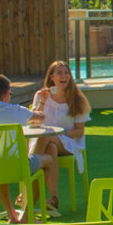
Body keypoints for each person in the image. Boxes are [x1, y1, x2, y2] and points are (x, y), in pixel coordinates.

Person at [0, 73, 56, 223]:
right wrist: (42, 102)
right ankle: (27, 215)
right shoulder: (16, 111)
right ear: (6, 94)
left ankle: (12, 215)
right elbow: (40, 117)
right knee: (48, 160)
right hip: (14, 166)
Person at [28, 61, 91, 213]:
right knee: (50, 148)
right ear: (52, 77)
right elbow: (34, 122)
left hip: (69, 142)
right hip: (47, 143)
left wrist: (59, 132)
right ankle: (54, 198)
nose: (64, 76)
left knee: (45, 137)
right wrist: (43, 102)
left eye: (66, 73)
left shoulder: (77, 99)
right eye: (60, 73)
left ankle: (27, 186)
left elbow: (79, 132)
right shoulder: (41, 95)